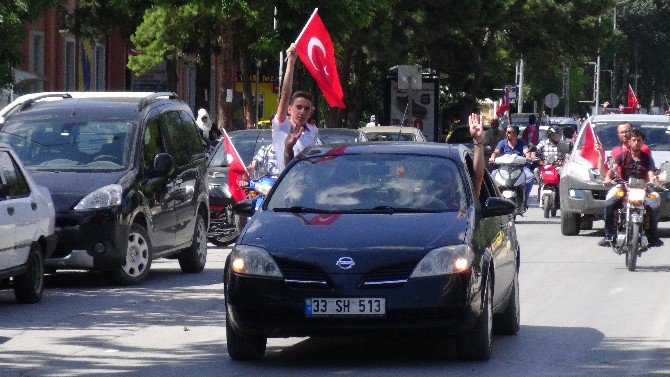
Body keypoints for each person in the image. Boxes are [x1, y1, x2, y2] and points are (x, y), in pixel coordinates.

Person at [599, 129, 663, 247]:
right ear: (629, 142)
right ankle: (609, 236)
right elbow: (612, 170)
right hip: (623, 189)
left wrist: (654, 181)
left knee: (654, 207)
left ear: (643, 142)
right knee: (608, 204)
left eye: (639, 140)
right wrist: (607, 179)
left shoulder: (648, 158)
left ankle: (652, 236)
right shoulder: (622, 156)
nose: (636, 143)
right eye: (634, 140)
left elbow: (650, 173)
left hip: (643, 190)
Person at [273, 43, 319, 172]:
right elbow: (285, 95)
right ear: (289, 109)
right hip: (284, 184)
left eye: (306, 109)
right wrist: (291, 63)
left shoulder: (313, 132)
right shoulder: (281, 125)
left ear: (310, 113)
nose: (302, 112)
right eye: (298, 107)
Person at [489, 125, 534, 208]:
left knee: (530, 176)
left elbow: (526, 152)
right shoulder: (502, 142)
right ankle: (494, 198)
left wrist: (528, 158)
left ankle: (525, 198)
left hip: (520, 168)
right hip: (503, 168)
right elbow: (496, 152)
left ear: (515, 134)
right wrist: (492, 158)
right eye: (506, 131)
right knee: (492, 175)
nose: (506, 133)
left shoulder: (521, 142)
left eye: (509, 132)